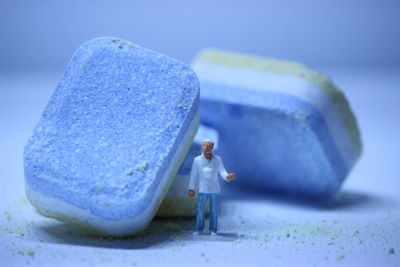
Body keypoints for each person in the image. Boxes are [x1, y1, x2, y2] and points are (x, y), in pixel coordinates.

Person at [188, 140, 236, 236]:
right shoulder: (197, 160)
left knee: (214, 210)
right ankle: (198, 229)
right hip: (202, 189)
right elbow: (194, 175)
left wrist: (227, 177)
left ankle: (213, 230)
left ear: (212, 148)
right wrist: (191, 188)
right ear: (202, 147)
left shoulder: (217, 159)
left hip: (214, 189)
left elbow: (222, 171)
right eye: (204, 146)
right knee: (200, 210)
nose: (206, 148)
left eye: (208, 146)